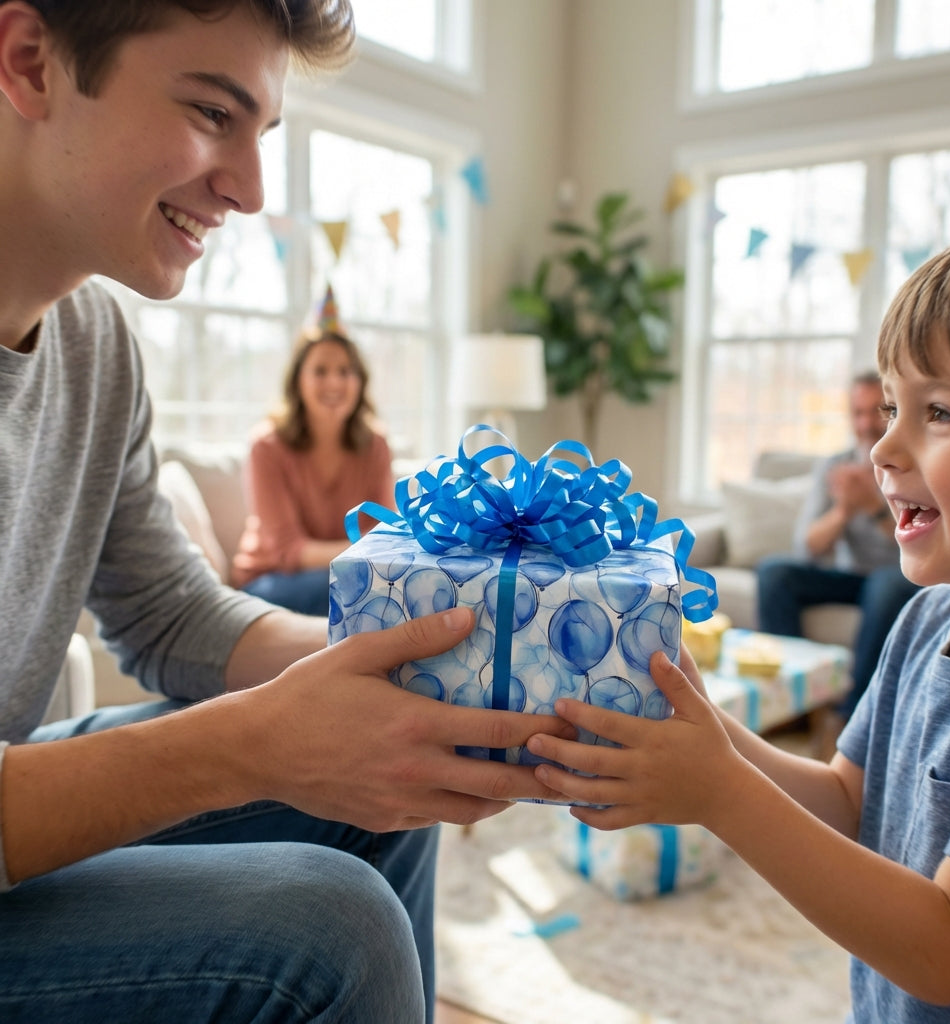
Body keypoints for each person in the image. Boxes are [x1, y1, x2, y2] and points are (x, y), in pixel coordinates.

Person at [0, 3, 567, 1021]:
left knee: (385, 790)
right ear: (30, 62)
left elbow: (170, 614)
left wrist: (408, 660)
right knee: (329, 925)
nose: (251, 191)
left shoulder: (98, 345)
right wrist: (253, 743)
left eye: (259, 134)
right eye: (212, 111)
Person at [527, 223, 950, 1022]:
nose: (885, 446)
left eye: (939, 412)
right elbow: (848, 803)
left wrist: (721, 793)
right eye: (891, 407)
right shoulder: (927, 620)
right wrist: (711, 737)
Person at [756, 370, 919, 721]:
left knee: (885, 584)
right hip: (847, 577)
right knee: (774, 571)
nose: (864, 424)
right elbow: (807, 547)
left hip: (894, 577)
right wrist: (844, 509)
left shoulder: (910, 464)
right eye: (856, 413)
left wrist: (874, 507)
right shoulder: (834, 466)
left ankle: (852, 716)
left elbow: (920, 547)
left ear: (892, 411)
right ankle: (789, 703)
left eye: (875, 411)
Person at [233, 314, 395, 617]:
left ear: (360, 381)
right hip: (269, 581)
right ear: (298, 381)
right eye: (320, 371)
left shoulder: (376, 445)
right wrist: (364, 561)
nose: (334, 382)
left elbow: (385, 531)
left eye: (345, 371)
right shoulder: (266, 447)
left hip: (352, 573)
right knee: (353, 586)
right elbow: (288, 551)